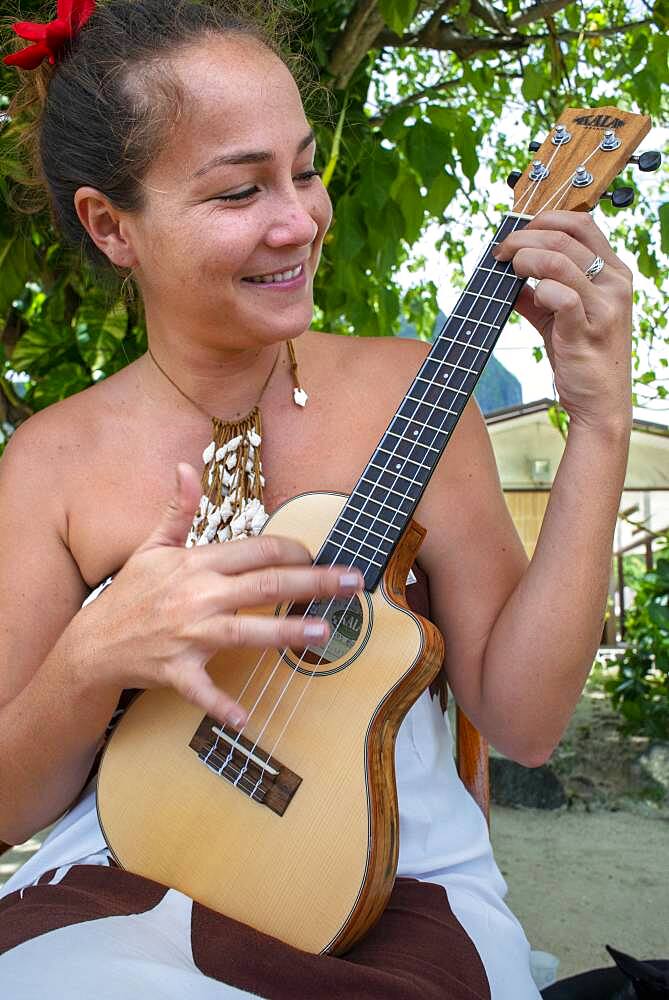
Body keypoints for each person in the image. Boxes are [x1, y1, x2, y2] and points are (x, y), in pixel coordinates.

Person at [0, 0, 634, 996]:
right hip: (125, 866)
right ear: (110, 225)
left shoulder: (411, 388)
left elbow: (523, 725)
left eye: (304, 168)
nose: (299, 219)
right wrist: (91, 657)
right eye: (240, 189)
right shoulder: (51, 459)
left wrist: (600, 422)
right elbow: (8, 803)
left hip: (399, 878)